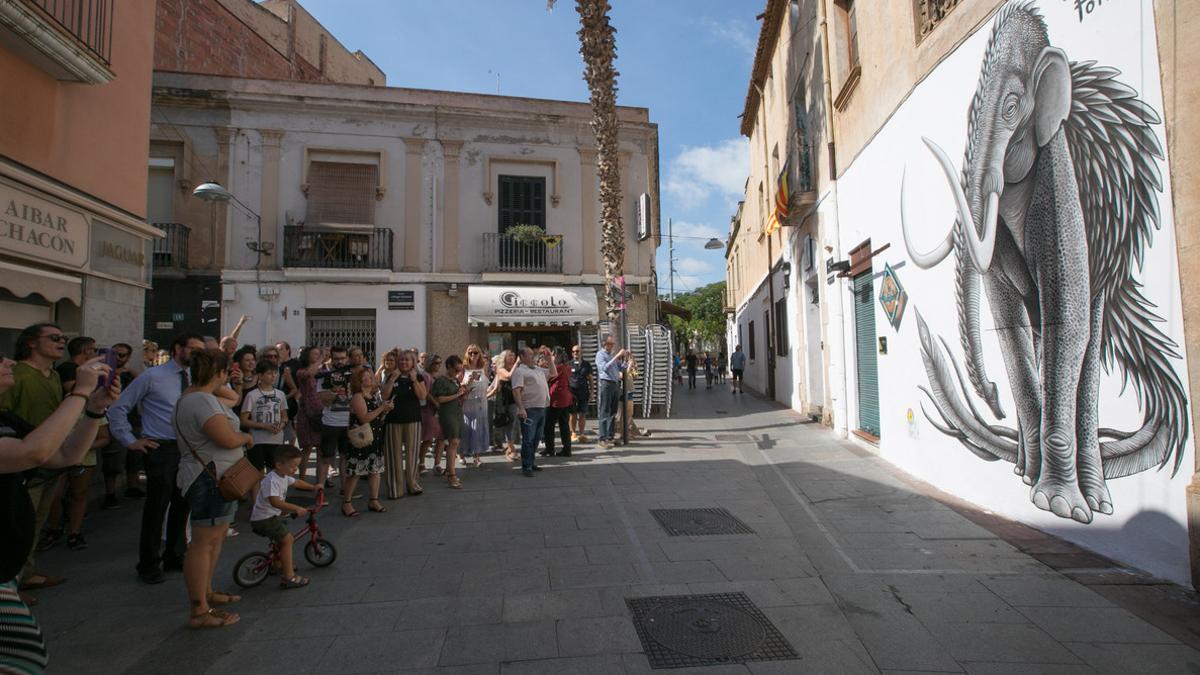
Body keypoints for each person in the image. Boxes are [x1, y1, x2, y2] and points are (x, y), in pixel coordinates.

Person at [0, 350, 119, 667]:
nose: (9, 361)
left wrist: (94, 410)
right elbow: (34, 453)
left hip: (5, 572)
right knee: (24, 658)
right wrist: (80, 392)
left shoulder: (5, 419)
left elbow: (65, 454)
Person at [108, 332, 207, 585]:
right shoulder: (153, 377)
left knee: (182, 504)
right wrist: (130, 440)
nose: (197, 354)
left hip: (189, 449)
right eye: (193, 349)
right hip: (161, 447)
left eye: (201, 350)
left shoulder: (198, 378)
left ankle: (175, 554)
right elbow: (119, 408)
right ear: (177, 348)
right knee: (157, 507)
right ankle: (149, 562)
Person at [173, 348, 253, 628]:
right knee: (203, 543)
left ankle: (206, 592)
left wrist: (231, 384)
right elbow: (227, 439)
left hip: (217, 475)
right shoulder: (201, 402)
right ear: (219, 373)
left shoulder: (203, 397)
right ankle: (199, 610)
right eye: (226, 372)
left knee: (215, 538)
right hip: (209, 477)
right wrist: (244, 437)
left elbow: (233, 398)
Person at [2, 323, 68, 595]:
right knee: (15, 523)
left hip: (50, 456)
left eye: (63, 337)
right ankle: (11, 585)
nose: (61, 342)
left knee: (35, 520)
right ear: (31, 343)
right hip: (21, 460)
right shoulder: (17, 374)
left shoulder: (51, 375)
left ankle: (25, 574)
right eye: (54, 337)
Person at [37, 335, 97, 553]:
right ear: (85, 351)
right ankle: (55, 529)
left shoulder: (58, 372)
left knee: (78, 492)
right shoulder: (68, 369)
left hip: (81, 426)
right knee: (55, 492)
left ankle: (73, 531)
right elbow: (77, 391)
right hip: (62, 432)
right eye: (94, 349)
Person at [249, 446, 317, 590]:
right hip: (263, 518)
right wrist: (296, 508)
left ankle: (277, 563)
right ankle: (289, 576)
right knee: (287, 539)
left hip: (270, 515)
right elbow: (276, 502)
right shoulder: (271, 480)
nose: (295, 470)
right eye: (293, 466)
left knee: (281, 534)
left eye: (297, 466)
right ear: (279, 465)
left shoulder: (283, 476)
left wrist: (313, 487)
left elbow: (297, 482)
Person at [101, 343, 144, 509]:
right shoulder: (103, 370)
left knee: (134, 457)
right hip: (111, 420)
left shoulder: (130, 374)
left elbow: (144, 383)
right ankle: (109, 493)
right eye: (116, 354)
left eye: (123, 355)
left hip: (133, 419)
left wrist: (130, 371)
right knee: (113, 458)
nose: (119, 358)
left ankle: (132, 486)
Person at [343, 369, 391, 515]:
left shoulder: (373, 396)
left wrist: (385, 411)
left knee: (375, 470)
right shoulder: (358, 397)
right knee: (355, 472)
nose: (370, 378)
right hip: (361, 440)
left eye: (371, 376)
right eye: (366, 377)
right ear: (359, 381)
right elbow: (364, 418)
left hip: (374, 437)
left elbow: (377, 418)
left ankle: (373, 500)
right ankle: (347, 503)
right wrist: (382, 407)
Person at [381, 349, 425, 499]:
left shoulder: (418, 377)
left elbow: (422, 396)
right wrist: (392, 379)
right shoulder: (391, 376)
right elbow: (384, 395)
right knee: (393, 455)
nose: (404, 362)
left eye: (407, 360)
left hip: (413, 419)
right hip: (393, 420)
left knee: (412, 453)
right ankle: (395, 488)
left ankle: (412, 484)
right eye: (401, 360)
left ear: (413, 362)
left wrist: (413, 380)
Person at [240, 361, 288, 478]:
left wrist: (281, 425)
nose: (273, 376)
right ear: (260, 376)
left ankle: (272, 496)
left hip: (276, 439)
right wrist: (264, 426)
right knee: (257, 473)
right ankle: (257, 496)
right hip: (257, 440)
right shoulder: (252, 395)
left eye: (275, 373)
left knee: (274, 473)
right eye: (269, 373)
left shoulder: (280, 394)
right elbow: (244, 420)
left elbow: (285, 416)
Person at [316, 346, 353, 491]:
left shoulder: (352, 374)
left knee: (345, 457)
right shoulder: (324, 375)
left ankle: (345, 490)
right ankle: (320, 492)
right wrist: (334, 389)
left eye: (343, 358)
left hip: (348, 422)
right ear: (331, 358)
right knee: (326, 459)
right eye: (336, 359)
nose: (340, 361)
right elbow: (323, 400)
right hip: (330, 422)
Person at [511, 347, 550, 477]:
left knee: (537, 438)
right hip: (529, 409)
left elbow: (553, 373)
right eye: (529, 354)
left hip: (541, 408)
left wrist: (549, 358)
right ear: (521, 357)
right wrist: (521, 408)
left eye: (533, 354)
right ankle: (526, 466)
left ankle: (531, 462)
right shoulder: (519, 371)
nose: (532, 357)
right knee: (528, 439)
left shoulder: (538, 369)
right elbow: (516, 391)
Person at [431, 355, 466, 488]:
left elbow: (456, 397)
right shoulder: (441, 380)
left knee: (454, 443)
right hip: (447, 414)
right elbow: (440, 399)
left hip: (456, 412)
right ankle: (451, 474)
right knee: (453, 442)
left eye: (459, 370)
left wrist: (464, 392)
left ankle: (449, 471)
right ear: (449, 367)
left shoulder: (454, 380)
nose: (458, 372)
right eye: (456, 370)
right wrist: (457, 395)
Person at [460, 345, 492, 468]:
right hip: (467, 403)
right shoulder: (463, 368)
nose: (473, 355)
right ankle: (461, 454)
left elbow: (488, 384)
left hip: (481, 403)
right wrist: (467, 382)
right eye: (470, 353)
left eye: (476, 353)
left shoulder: (484, 368)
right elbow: (459, 386)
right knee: (466, 429)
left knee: (478, 429)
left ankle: (476, 456)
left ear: (479, 354)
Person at [594, 335, 627, 449]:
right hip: (606, 384)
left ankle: (610, 436)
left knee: (613, 412)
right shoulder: (600, 355)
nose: (612, 345)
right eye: (610, 343)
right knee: (605, 411)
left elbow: (621, 368)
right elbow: (604, 368)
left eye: (612, 344)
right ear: (604, 344)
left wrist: (627, 360)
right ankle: (602, 438)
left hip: (615, 384)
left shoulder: (612, 355)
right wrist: (617, 356)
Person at [543, 346, 573, 457]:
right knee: (564, 424)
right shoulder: (567, 366)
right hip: (566, 398)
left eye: (553, 355)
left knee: (548, 425)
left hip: (557, 398)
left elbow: (549, 377)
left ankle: (550, 449)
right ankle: (567, 449)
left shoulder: (558, 367)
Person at [492, 351, 520, 461]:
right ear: (504, 358)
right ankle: (510, 448)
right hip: (504, 402)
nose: (512, 357)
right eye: (509, 355)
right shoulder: (501, 369)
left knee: (513, 424)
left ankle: (510, 447)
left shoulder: (516, 369)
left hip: (514, 400)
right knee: (507, 423)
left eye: (513, 355)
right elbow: (508, 377)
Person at [420, 355, 444, 474]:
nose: (438, 365)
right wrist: (435, 403)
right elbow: (426, 393)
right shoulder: (425, 376)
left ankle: (437, 463)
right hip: (429, 410)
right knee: (428, 438)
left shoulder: (437, 377)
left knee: (441, 438)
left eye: (440, 363)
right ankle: (421, 463)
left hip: (439, 410)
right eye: (436, 363)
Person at [567, 344, 593, 442]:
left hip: (583, 392)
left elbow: (590, 379)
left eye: (577, 351)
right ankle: (573, 433)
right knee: (572, 414)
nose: (575, 353)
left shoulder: (586, 364)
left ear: (581, 352)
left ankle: (582, 433)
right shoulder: (569, 364)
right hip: (572, 393)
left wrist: (592, 392)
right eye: (573, 352)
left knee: (582, 413)